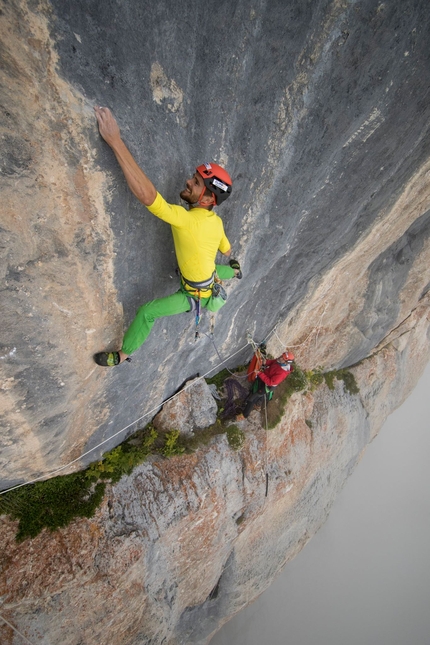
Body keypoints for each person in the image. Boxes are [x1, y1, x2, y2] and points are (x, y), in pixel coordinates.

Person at [93, 107, 241, 367]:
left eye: (195, 183)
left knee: (147, 312)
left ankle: (122, 355)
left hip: (192, 295)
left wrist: (115, 141)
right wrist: (233, 262)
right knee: (220, 268)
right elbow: (225, 249)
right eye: (193, 178)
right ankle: (236, 272)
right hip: (206, 276)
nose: (187, 181)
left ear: (208, 198)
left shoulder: (186, 220)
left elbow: (147, 196)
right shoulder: (215, 222)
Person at [242, 351, 295, 418]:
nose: (280, 357)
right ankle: (258, 404)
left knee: (253, 398)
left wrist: (260, 374)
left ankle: (244, 415)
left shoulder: (282, 373)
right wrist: (265, 362)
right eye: (282, 356)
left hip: (268, 386)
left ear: (286, 362)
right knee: (256, 390)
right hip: (265, 378)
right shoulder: (280, 361)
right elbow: (273, 362)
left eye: (283, 358)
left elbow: (270, 382)